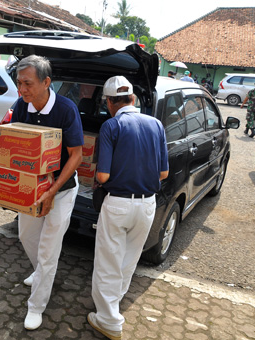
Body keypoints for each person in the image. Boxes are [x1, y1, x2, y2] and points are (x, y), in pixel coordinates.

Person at [88, 76, 169, 340]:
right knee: (128, 259)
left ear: (109, 102)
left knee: (107, 260)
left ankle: (109, 320)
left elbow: (102, 177)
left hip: (118, 204)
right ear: (132, 98)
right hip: (147, 205)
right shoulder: (156, 124)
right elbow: (164, 172)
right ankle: (113, 303)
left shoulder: (112, 126)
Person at [12, 55, 84, 330]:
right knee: (26, 236)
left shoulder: (66, 109)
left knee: (49, 249)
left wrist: (53, 191)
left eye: (27, 83)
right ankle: (42, 271)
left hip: (62, 190)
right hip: (31, 190)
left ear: (46, 82)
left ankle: (36, 305)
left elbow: (76, 155)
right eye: (19, 83)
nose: (22, 89)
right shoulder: (21, 106)